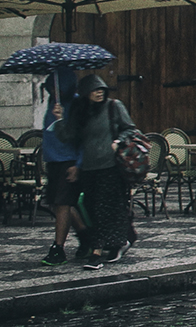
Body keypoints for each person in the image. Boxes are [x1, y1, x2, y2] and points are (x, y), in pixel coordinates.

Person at [53, 74, 137, 270]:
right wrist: (58, 120)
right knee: (91, 208)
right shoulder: (80, 111)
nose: (99, 93)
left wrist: (118, 141)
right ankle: (117, 242)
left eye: (101, 90)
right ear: (85, 93)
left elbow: (130, 129)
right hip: (88, 169)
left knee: (102, 208)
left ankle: (96, 253)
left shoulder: (114, 106)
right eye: (94, 90)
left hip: (110, 167)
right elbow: (68, 136)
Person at [38, 68, 89, 266]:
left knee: (63, 204)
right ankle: (85, 236)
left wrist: (78, 164)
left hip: (68, 160)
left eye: (55, 85)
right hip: (54, 160)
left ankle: (58, 248)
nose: (52, 89)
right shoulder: (54, 101)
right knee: (59, 204)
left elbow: (82, 137)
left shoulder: (76, 104)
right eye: (50, 86)